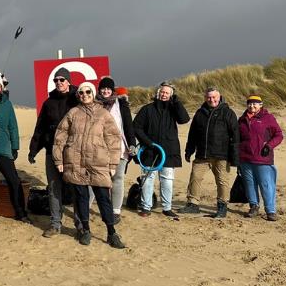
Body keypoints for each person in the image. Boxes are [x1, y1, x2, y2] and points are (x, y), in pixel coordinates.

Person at [52, 82, 127, 249]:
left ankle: (111, 232)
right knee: (81, 198)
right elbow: (60, 137)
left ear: (93, 94)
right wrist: (59, 160)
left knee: (103, 198)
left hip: (98, 163)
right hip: (76, 162)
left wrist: (113, 163)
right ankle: (85, 229)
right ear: (78, 95)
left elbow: (114, 139)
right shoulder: (73, 113)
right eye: (81, 92)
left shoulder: (103, 114)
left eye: (88, 92)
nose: (85, 94)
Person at [27, 67, 79, 237]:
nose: (58, 83)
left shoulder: (77, 99)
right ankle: (55, 223)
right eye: (56, 80)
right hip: (52, 152)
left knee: (75, 188)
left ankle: (80, 224)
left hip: (73, 152)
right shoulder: (48, 103)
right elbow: (40, 128)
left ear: (68, 81)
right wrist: (33, 150)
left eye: (62, 80)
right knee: (54, 188)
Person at [131, 81, 190, 220]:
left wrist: (177, 102)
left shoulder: (174, 108)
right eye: (162, 92)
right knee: (148, 178)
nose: (164, 94)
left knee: (167, 180)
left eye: (167, 93)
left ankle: (167, 208)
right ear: (158, 92)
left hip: (169, 151)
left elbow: (184, 119)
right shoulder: (147, 109)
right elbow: (136, 127)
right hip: (149, 150)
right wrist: (148, 142)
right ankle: (146, 206)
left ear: (171, 95)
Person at [182, 87, 239, 219]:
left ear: (219, 97)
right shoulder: (200, 113)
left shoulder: (228, 113)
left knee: (222, 181)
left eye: (214, 97)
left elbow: (235, 136)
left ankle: (222, 206)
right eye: (209, 97)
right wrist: (189, 150)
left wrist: (235, 157)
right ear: (205, 98)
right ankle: (193, 204)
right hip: (202, 155)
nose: (211, 99)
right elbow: (193, 134)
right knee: (195, 177)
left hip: (222, 155)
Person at [0, 73, 26, 220]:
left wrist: (15, 147)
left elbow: (12, 126)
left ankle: (21, 212)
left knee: (14, 180)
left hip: (3, 147)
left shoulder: (7, 104)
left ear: (1, 88)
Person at [237, 94, 284, 222]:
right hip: (245, 158)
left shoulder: (267, 118)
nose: (252, 106)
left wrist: (269, 145)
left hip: (263, 158)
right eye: (250, 103)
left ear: (260, 105)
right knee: (250, 184)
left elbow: (279, 135)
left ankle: (270, 211)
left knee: (266, 185)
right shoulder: (241, 120)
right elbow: (237, 139)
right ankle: (253, 206)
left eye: (255, 104)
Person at [97, 76, 137, 223]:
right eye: (103, 88)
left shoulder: (121, 104)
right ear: (99, 89)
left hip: (119, 147)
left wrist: (132, 144)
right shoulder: (94, 104)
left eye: (108, 88)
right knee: (97, 179)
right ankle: (89, 208)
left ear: (112, 90)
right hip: (98, 148)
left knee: (117, 178)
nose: (106, 91)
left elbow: (128, 126)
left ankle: (115, 211)